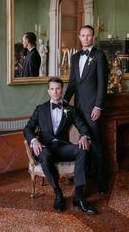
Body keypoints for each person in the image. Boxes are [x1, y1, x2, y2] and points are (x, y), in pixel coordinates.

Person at [24, 77, 97, 214]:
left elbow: (82, 126)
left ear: (62, 90)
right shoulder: (40, 109)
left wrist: (84, 136)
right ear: (48, 91)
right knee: (45, 155)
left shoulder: (70, 109)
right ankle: (58, 193)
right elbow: (27, 129)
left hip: (62, 147)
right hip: (44, 147)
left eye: (58, 88)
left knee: (82, 150)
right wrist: (34, 140)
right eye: (52, 89)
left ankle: (78, 196)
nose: (55, 92)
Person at [63, 25, 109, 194]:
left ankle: (101, 182)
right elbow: (73, 83)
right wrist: (65, 101)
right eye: (83, 35)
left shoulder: (99, 56)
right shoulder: (75, 58)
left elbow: (102, 85)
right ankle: (85, 179)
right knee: (82, 143)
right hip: (78, 108)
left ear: (93, 37)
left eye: (88, 35)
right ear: (79, 37)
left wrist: (98, 106)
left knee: (96, 144)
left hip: (92, 109)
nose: (85, 38)